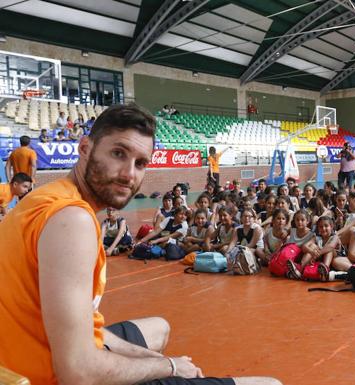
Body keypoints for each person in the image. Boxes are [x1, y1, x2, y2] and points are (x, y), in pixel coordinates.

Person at [0, 104, 279, 385]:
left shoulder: (45, 198)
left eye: (140, 163)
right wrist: (170, 367)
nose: (128, 174)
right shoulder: (72, 220)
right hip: (50, 375)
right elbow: (79, 372)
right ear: (84, 148)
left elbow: (85, 323)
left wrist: (156, 360)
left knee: (160, 329)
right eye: (118, 153)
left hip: (22, 354)